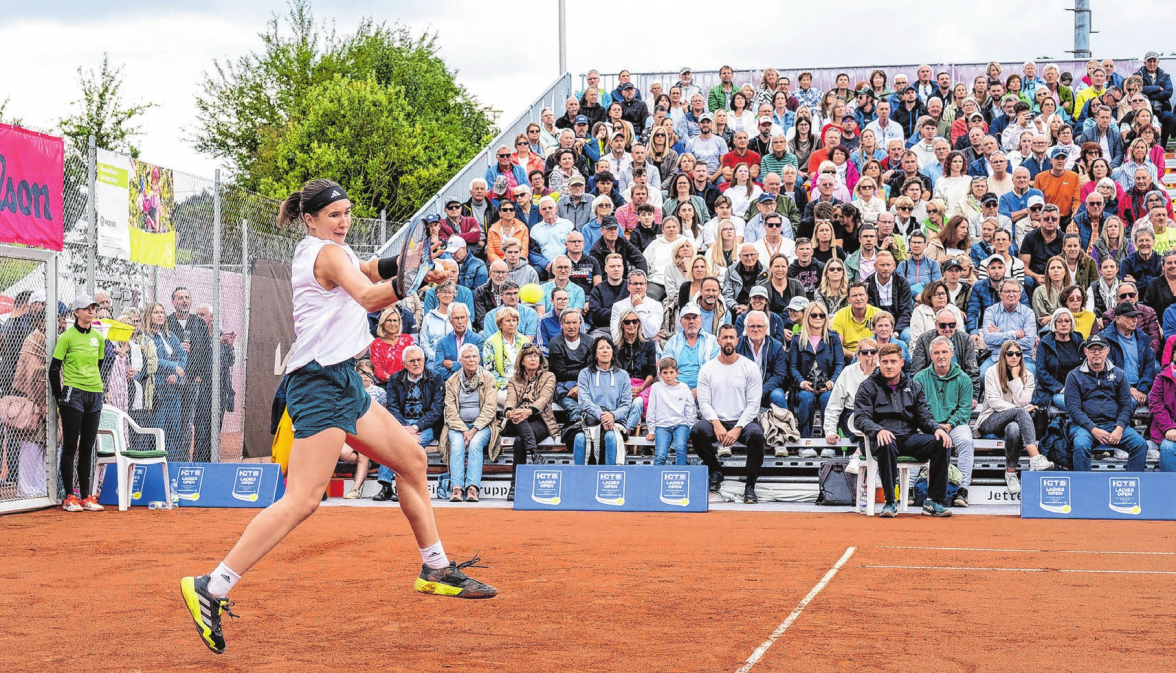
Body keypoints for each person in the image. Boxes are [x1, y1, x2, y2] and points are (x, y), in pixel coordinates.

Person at [181, 181, 491, 656]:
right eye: (334, 215)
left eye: (347, 212)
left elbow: (367, 268)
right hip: (318, 385)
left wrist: (411, 264)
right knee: (302, 500)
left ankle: (435, 568)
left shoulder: (332, 250)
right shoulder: (323, 254)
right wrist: (415, 280)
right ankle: (213, 585)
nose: (344, 221)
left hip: (344, 381)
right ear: (310, 219)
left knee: (411, 459)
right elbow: (368, 296)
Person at [853, 343, 954, 518]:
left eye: (893, 361)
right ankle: (890, 502)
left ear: (901, 362)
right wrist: (878, 430)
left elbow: (924, 417)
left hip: (908, 438)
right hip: (879, 440)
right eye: (885, 362)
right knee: (886, 442)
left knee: (941, 442)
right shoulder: (867, 387)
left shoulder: (914, 387)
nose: (889, 366)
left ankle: (934, 502)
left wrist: (937, 429)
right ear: (879, 362)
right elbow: (861, 418)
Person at [689, 324, 765, 504]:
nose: (728, 341)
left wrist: (738, 428)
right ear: (718, 341)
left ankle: (750, 486)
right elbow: (704, 402)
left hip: (743, 421)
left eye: (732, 337)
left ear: (737, 341)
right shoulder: (708, 368)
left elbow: (754, 404)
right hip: (716, 420)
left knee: (757, 436)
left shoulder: (750, 367)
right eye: (725, 337)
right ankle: (715, 470)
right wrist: (716, 424)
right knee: (697, 431)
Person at [50, 295, 108, 512]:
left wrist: (93, 386)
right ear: (76, 312)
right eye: (86, 308)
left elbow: (98, 365)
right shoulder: (66, 337)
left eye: (93, 307)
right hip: (73, 394)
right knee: (70, 446)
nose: (91, 311)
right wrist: (61, 398)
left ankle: (86, 496)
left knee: (87, 447)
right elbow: (54, 369)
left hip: (94, 394)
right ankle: (69, 496)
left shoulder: (98, 338)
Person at [976, 340, 1054, 496]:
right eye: (1010, 353)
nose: (1014, 357)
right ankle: (1035, 456)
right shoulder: (991, 372)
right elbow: (994, 402)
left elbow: (1023, 401)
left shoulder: (1028, 375)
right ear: (1003, 355)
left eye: (1018, 354)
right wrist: (1019, 410)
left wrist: (1015, 378)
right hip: (990, 419)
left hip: (1013, 422)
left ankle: (1010, 472)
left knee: (1014, 428)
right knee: (1020, 412)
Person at [1064, 334, 1149, 472]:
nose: (1097, 353)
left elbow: (1127, 405)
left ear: (1107, 351)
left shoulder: (1119, 374)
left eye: (1100, 349)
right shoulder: (1074, 375)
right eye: (1092, 349)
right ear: (1085, 351)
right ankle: (1083, 484)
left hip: (1113, 424)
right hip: (1084, 427)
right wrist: (1093, 429)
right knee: (1081, 445)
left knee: (1140, 444)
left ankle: (1131, 483)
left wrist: (1119, 428)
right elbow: (1073, 409)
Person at [373, 346, 445, 502]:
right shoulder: (395, 379)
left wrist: (415, 427)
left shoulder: (435, 378)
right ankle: (386, 486)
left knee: (409, 445)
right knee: (390, 444)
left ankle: (402, 487)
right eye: (412, 361)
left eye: (419, 360)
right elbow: (392, 407)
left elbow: (436, 410)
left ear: (424, 360)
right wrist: (403, 429)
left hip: (426, 425)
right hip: (402, 423)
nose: (417, 363)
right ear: (404, 363)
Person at [913, 335, 976, 507]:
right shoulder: (919, 378)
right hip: (927, 425)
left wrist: (949, 425)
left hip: (954, 425)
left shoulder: (964, 379)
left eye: (944, 352)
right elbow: (917, 408)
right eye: (936, 352)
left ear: (952, 353)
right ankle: (911, 488)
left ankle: (963, 490)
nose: (941, 356)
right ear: (930, 355)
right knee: (913, 442)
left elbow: (964, 409)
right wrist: (933, 426)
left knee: (966, 442)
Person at [438, 344, 499, 503]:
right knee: (457, 445)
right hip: (458, 426)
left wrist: (473, 430)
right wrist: (465, 430)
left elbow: (490, 408)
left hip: (482, 426)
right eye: (467, 357)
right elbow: (450, 411)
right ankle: (456, 488)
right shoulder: (452, 381)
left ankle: (472, 488)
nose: (471, 360)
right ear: (460, 360)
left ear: (479, 359)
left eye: (474, 357)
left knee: (475, 444)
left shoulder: (488, 378)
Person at [502, 343, 559, 501]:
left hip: (540, 420)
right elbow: (510, 400)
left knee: (520, 441)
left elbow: (544, 398)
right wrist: (510, 412)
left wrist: (529, 411)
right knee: (519, 419)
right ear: (522, 360)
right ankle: (534, 454)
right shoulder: (514, 380)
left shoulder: (549, 376)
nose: (533, 359)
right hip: (516, 420)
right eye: (529, 356)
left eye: (536, 356)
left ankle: (515, 486)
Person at [574, 336, 639, 465]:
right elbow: (584, 401)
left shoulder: (623, 375)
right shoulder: (585, 374)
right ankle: (579, 476)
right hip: (591, 421)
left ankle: (610, 474)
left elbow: (626, 404)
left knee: (610, 436)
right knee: (579, 438)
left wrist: (612, 416)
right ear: (595, 353)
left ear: (613, 353)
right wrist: (601, 415)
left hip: (616, 421)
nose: (605, 351)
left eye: (608, 347)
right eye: (601, 348)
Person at [167, 287, 214, 462]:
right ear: (173, 302)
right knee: (173, 422)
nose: (184, 301)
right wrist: (177, 351)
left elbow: (206, 353)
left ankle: (184, 460)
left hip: (193, 381)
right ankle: (171, 459)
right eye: (180, 298)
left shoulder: (199, 324)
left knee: (188, 424)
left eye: (187, 297)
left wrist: (199, 375)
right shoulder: (167, 323)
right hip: (172, 380)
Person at [788, 303, 843, 438]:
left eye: (821, 315)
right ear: (807, 317)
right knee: (806, 398)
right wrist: (802, 382)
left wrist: (832, 382)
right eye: (814, 315)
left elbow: (839, 363)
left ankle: (829, 438)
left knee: (828, 398)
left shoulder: (833, 337)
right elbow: (793, 366)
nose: (818, 318)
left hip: (827, 385)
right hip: (805, 385)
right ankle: (805, 440)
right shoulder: (797, 339)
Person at [825, 338, 878, 471]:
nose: (869, 355)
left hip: (878, 415)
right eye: (865, 352)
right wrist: (830, 430)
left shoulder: (884, 371)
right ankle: (861, 458)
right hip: (853, 415)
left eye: (873, 352)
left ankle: (858, 455)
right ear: (858, 355)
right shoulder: (848, 372)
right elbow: (835, 403)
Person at [144, 301, 187, 462]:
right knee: (159, 428)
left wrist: (176, 374)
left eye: (162, 312)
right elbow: (154, 360)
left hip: (173, 389)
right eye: (156, 312)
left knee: (174, 429)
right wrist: (174, 367)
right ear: (149, 316)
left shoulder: (170, 336)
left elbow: (183, 355)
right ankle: (157, 463)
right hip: (158, 389)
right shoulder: (146, 337)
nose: (160, 315)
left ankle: (172, 463)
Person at [1101, 302, 1157, 407]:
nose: (1135, 319)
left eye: (1136, 316)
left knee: (1161, 400)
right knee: (1130, 402)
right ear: (1117, 319)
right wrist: (1129, 388)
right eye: (1129, 317)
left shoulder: (1143, 338)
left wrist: (1141, 389)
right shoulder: (1104, 339)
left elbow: (1149, 366)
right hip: (1116, 388)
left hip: (1141, 386)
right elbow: (1107, 370)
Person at [980, 279, 1038, 380]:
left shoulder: (1028, 313)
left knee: (1028, 377)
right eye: (1007, 291)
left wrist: (1000, 335)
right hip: (997, 357)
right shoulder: (991, 311)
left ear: (1020, 295)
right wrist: (1013, 334)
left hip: (1023, 357)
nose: (1011, 295)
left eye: (1014, 291)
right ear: (1001, 295)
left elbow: (1029, 342)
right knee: (982, 376)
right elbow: (988, 338)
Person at [645, 357, 696, 466]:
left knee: (681, 448)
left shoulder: (684, 388)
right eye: (665, 372)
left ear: (677, 373)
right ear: (660, 374)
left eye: (671, 372)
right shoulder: (656, 387)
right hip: (662, 426)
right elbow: (651, 409)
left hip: (681, 425)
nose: (668, 376)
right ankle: (656, 475)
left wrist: (691, 430)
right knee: (660, 454)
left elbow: (690, 410)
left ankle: (681, 474)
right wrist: (651, 430)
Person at [615, 308, 658, 416]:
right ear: (622, 324)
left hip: (644, 385)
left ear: (639, 323)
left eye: (635, 321)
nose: (631, 325)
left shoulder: (649, 344)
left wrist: (641, 388)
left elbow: (652, 371)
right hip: (622, 386)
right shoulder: (615, 347)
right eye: (627, 322)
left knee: (640, 401)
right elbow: (614, 372)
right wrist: (627, 389)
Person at [428, 304, 484, 381]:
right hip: (449, 383)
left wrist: (453, 365)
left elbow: (479, 366)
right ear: (450, 320)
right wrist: (461, 374)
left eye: (462, 317)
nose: (460, 322)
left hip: (473, 382)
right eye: (456, 318)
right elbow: (438, 370)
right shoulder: (442, 343)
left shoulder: (478, 340)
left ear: (467, 318)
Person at [369, 307, 414, 383]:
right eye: (389, 320)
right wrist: (393, 380)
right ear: (383, 323)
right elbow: (377, 369)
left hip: (407, 382)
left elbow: (413, 363)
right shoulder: (376, 344)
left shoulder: (408, 340)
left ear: (399, 323)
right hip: (386, 384)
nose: (392, 324)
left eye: (395, 321)